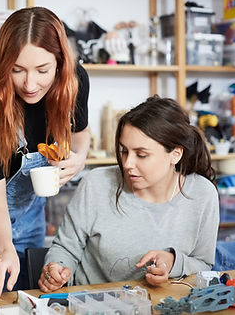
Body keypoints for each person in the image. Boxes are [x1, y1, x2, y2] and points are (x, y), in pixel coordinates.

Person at [39, 95, 219, 292]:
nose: (127, 164)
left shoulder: (203, 194)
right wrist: (57, 269)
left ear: (175, 154)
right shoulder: (96, 183)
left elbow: (204, 265)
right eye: (124, 151)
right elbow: (65, 248)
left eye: (141, 155)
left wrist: (173, 262)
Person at [0, 6, 91, 292]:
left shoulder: (74, 82)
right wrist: (3, 249)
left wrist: (80, 158)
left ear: (60, 62)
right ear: (3, 65)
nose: (30, 84)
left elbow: (82, 134)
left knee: (29, 293)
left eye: (42, 70)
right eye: (17, 70)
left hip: (33, 212)